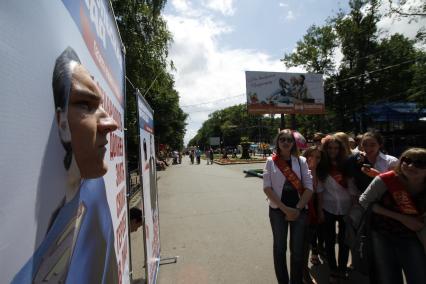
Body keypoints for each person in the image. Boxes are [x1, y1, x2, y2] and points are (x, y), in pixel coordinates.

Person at [13, 47, 119, 283]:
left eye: (99, 106)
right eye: (85, 105)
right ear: (61, 123)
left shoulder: (95, 190)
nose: (110, 123)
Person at [359, 148, 426, 284]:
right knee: (388, 277)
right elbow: (364, 201)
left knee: (419, 276)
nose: (411, 166)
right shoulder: (385, 180)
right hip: (383, 234)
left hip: (415, 236)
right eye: (407, 160)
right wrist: (403, 218)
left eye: (420, 163)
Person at [263, 129, 313, 284]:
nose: (285, 142)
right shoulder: (271, 161)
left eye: (289, 140)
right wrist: (285, 209)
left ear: (294, 143)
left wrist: (297, 209)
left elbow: (309, 187)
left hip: (299, 211)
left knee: (297, 251)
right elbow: (267, 188)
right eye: (282, 139)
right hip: (278, 211)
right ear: (278, 142)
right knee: (279, 249)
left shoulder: (301, 161)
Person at [317, 135, 359, 283]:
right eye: (330, 148)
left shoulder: (347, 163)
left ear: (341, 149)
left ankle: (342, 269)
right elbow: (320, 189)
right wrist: (320, 209)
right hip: (328, 206)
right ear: (325, 149)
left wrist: (354, 208)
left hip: (346, 206)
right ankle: (333, 269)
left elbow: (352, 187)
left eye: (336, 148)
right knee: (329, 240)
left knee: (344, 240)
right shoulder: (322, 164)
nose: (333, 150)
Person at [302, 146, 325, 284]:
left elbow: (317, 191)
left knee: (310, 237)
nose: (314, 160)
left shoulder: (319, 172)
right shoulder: (298, 168)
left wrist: (320, 210)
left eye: (318, 157)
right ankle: (304, 274)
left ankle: (304, 270)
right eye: (311, 156)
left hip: (312, 210)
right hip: (301, 209)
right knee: (301, 243)